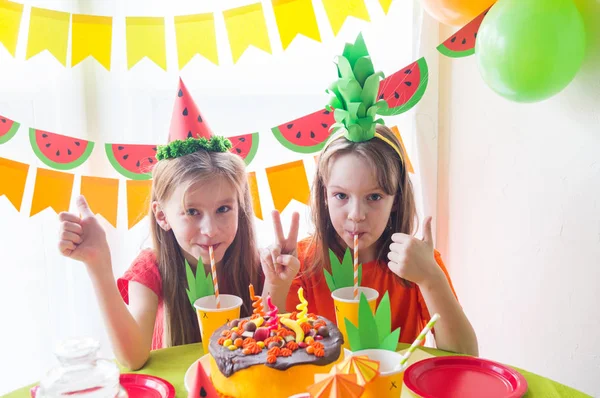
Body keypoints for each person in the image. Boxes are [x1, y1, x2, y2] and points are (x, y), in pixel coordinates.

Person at [262, 34, 478, 355]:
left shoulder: (417, 262)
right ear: (323, 195)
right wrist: (276, 286)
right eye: (341, 196)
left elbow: (465, 354)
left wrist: (431, 279)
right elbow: (270, 349)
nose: (356, 214)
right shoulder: (302, 264)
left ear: (396, 200)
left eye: (374, 197)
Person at [57, 79, 263, 369]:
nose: (210, 229)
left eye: (223, 209)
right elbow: (132, 358)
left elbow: (271, 349)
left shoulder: (251, 263)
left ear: (239, 207)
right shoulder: (152, 269)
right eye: (192, 212)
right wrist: (98, 266)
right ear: (162, 215)